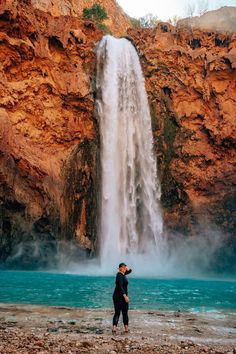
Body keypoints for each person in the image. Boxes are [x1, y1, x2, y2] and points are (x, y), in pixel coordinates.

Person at [112, 262, 132, 333]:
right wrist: (125, 296)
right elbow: (119, 286)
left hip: (121, 297)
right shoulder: (119, 275)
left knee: (125, 313)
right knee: (117, 313)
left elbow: (130, 271)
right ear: (120, 268)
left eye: (125, 267)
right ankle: (114, 328)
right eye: (123, 267)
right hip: (119, 297)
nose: (124, 269)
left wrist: (128, 268)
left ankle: (126, 328)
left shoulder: (123, 274)